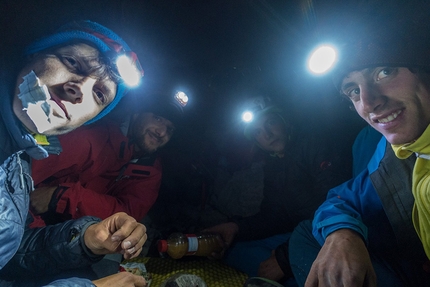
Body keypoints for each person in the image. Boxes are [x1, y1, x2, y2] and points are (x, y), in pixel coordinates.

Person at [0, 19, 147, 286]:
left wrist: (86, 239)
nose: (79, 90)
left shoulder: (18, 159)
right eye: (72, 62)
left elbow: (8, 250)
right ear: (33, 53)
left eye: (100, 95)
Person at [288, 16, 430, 287]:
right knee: (307, 233)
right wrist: (342, 234)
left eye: (384, 71)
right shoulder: (396, 151)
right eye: (353, 90)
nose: (369, 103)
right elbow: (343, 197)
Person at [204, 96, 354, 285]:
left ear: (285, 121)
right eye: (257, 132)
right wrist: (237, 227)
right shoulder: (274, 165)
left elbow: (336, 210)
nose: (267, 134)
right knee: (233, 251)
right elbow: (274, 215)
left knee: (289, 275)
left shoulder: (315, 144)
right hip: (294, 236)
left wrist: (285, 259)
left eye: (271, 123)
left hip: (332, 236)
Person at [29, 89, 184, 226]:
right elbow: (30, 172)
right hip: (28, 212)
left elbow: (126, 215)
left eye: (169, 129)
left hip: (72, 228)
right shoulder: (95, 134)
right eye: (157, 118)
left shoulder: (150, 170)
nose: (162, 132)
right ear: (138, 115)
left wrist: (61, 197)